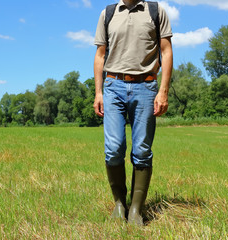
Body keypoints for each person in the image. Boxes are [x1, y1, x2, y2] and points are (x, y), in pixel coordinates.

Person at [93, 0, 173, 225]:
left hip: (145, 87)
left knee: (142, 150)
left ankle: (136, 210)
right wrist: (98, 93)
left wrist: (163, 91)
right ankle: (120, 205)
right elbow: (100, 55)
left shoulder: (156, 11)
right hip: (112, 86)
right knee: (114, 148)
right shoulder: (108, 13)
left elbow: (166, 52)